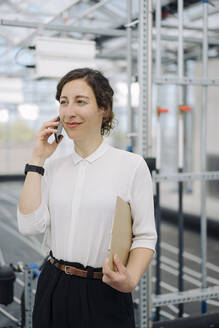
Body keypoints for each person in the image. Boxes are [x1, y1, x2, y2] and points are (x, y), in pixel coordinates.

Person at [17, 67, 157, 328]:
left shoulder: (131, 165)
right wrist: (37, 160)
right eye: (63, 102)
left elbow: (146, 235)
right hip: (54, 284)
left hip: (103, 290)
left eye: (80, 101)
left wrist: (132, 278)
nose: (69, 112)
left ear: (103, 108)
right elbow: (28, 226)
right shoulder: (53, 166)